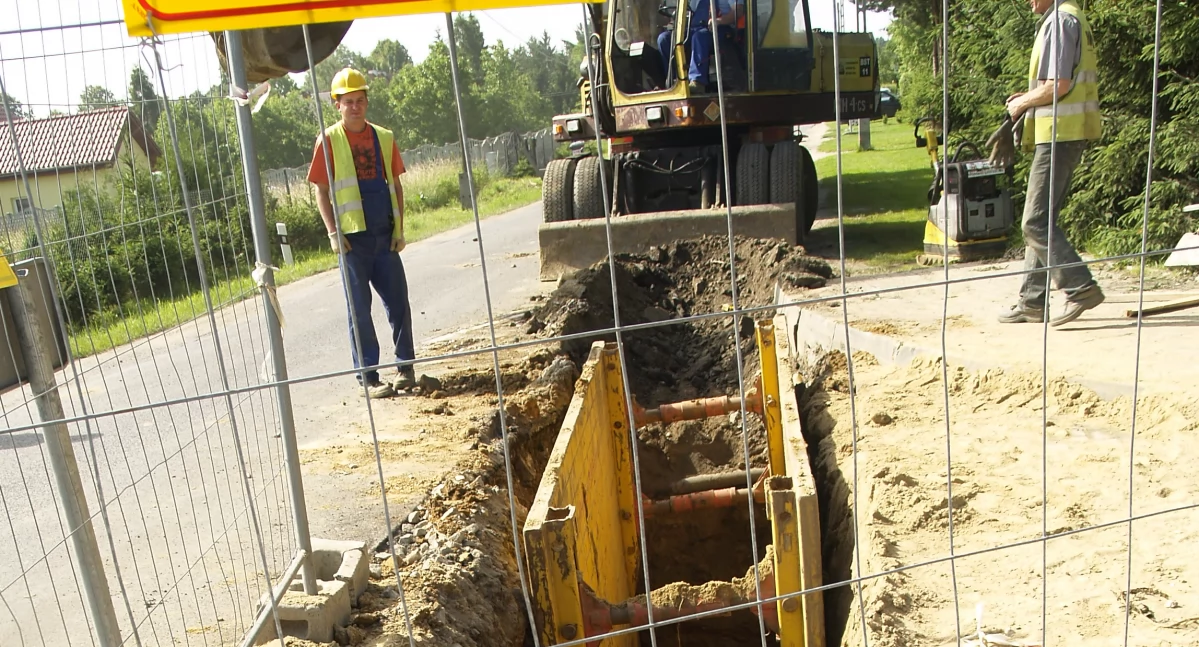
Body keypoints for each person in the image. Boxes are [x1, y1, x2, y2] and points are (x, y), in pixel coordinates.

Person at [307, 67, 416, 398]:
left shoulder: (383, 137)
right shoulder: (328, 141)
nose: (355, 107)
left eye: (360, 100)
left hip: (384, 236)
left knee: (399, 305)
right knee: (359, 311)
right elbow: (321, 192)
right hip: (353, 242)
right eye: (348, 101)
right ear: (337, 105)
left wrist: (399, 229)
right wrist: (332, 233)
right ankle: (369, 378)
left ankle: (405, 369)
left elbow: (395, 186)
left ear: (367, 102)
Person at [999, 0, 1103, 327]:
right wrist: (1027, 97)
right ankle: (1032, 300)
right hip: (1068, 132)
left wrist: (1020, 105)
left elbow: (1058, 86)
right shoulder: (1073, 17)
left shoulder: (1060, 20)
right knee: (1043, 219)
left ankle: (1080, 287)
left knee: (1034, 222)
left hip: (1060, 134)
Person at [658, 0, 743, 92]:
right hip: (695, 28)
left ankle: (698, 81)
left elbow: (738, 10)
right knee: (664, 39)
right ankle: (675, 82)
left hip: (721, 28)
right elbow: (689, 12)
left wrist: (719, 21)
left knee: (699, 37)